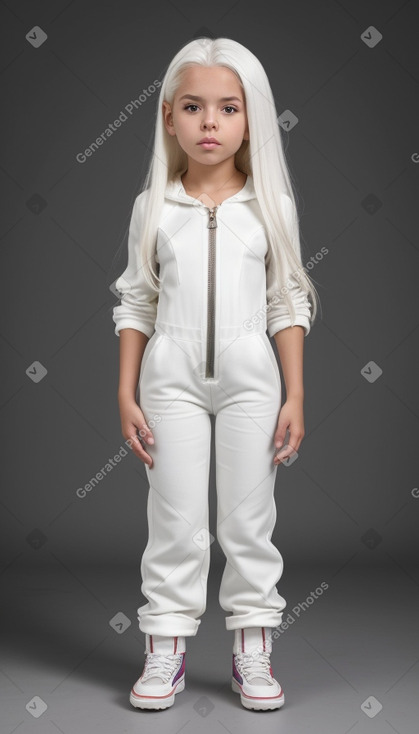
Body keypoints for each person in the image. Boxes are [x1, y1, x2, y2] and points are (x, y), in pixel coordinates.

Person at [112, 36, 320, 712]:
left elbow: (287, 300)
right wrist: (125, 390)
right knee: (174, 521)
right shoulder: (154, 206)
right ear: (168, 115)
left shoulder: (270, 209)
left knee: (247, 521)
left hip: (251, 382)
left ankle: (251, 649)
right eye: (193, 108)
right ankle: (165, 649)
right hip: (166, 382)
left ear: (249, 118)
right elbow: (136, 301)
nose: (209, 123)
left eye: (227, 108)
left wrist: (294, 392)